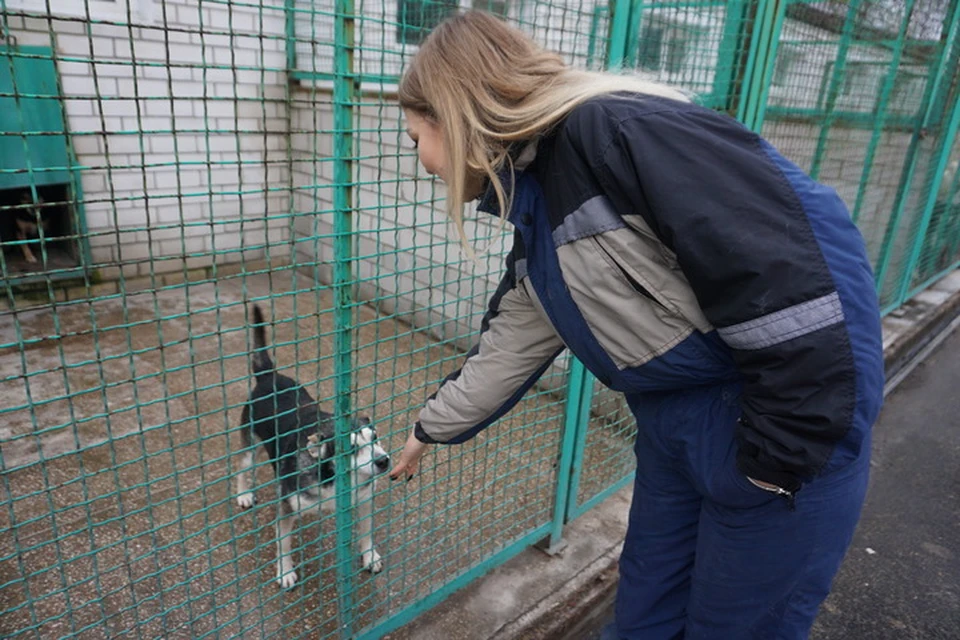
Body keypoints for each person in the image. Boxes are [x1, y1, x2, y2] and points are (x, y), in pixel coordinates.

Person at [388, 10, 884, 640]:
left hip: (779, 430)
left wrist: (775, 461)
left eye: (416, 139)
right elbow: (514, 335)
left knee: (737, 627)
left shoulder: (619, 130)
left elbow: (800, 289)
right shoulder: (539, 197)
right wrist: (429, 429)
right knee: (645, 612)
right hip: (673, 424)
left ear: (453, 118)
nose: (422, 161)